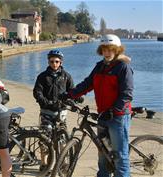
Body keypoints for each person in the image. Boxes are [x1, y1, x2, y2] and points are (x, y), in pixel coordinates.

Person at [64, 34, 133, 177]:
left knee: (120, 155)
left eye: (110, 49)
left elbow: (127, 94)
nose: (107, 52)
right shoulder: (99, 67)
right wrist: (70, 94)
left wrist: (114, 111)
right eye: (104, 49)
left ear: (117, 50)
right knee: (102, 153)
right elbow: (88, 84)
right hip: (103, 115)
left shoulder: (123, 67)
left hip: (118, 117)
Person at [33, 49, 74, 169]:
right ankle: (44, 162)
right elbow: (37, 92)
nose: (54, 64)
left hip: (61, 112)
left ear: (61, 62)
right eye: (51, 61)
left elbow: (72, 90)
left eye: (57, 61)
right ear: (48, 61)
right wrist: (47, 103)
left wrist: (77, 98)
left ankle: (62, 161)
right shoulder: (42, 76)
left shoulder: (66, 76)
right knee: (45, 138)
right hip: (47, 112)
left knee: (63, 138)